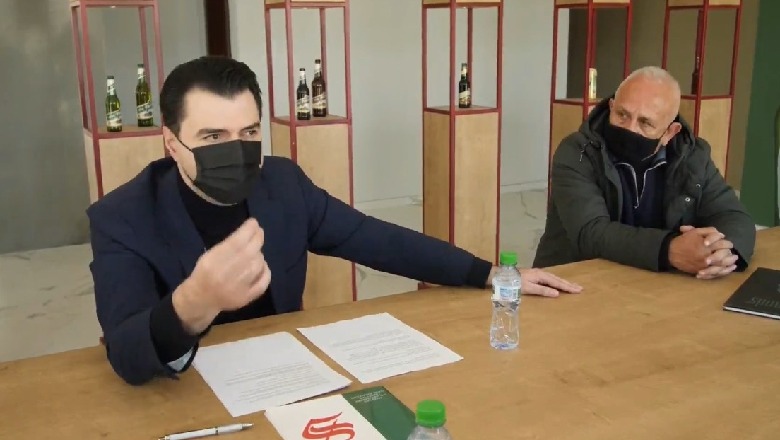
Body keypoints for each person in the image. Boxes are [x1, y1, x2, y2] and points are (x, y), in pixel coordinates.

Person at [87, 56, 583, 386]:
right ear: (171, 144)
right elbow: (126, 353)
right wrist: (194, 304)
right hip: (187, 390)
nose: (236, 150)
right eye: (213, 137)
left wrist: (488, 273)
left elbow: (373, 238)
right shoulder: (122, 218)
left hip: (286, 374)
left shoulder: (281, 183)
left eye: (250, 132)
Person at [534, 66, 755, 278]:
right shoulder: (578, 152)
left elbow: (734, 217)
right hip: (571, 279)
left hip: (651, 283)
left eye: (645, 123)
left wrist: (721, 252)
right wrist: (670, 250)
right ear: (611, 107)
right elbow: (591, 233)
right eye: (622, 114)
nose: (629, 129)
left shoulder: (692, 157)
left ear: (670, 132)